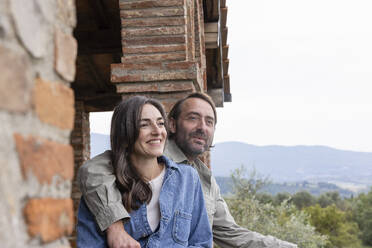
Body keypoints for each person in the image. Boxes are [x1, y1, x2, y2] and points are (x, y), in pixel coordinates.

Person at [78, 93, 297, 248]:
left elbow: (225, 233)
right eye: (193, 118)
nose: (203, 127)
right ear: (173, 124)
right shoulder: (115, 168)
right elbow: (92, 170)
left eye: (209, 121)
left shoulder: (199, 178)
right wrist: (115, 227)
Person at [76, 96, 212, 248]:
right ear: (125, 136)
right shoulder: (100, 192)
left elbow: (201, 243)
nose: (157, 131)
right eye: (144, 125)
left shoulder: (188, 178)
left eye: (160, 123)